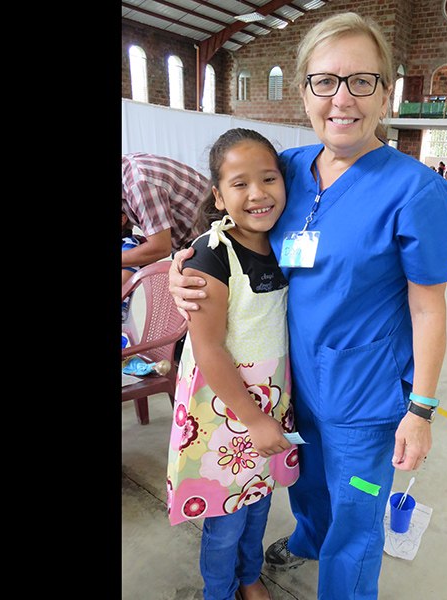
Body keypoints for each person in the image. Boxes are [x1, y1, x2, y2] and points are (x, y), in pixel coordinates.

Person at [167, 12, 447, 600]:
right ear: (304, 91)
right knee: (308, 486)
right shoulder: (290, 170)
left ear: (385, 92)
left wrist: (421, 410)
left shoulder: (417, 192)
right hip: (292, 381)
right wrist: (185, 270)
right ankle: (307, 537)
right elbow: (232, 229)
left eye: (361, 81)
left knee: (355, 516)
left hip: (365, 396)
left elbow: (429, 311)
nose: (342, 99)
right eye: (324, 81)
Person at [165, 128, 299, 600]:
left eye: (269, 179)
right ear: (219, 197)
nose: (258, 193)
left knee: (259, 504)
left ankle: (248, 577)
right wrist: (254, 418)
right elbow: (209, 350)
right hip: (227, 411)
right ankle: (218, 590)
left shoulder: (285, 242)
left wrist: (269, 416)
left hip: (269, 403)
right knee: (224, 519)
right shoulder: (210, 256)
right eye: (240, 184)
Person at [121, 152, 211, 270]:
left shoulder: (138, 184)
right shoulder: (127, 169)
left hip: (213, 239)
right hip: (193, 244)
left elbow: (159, 247)